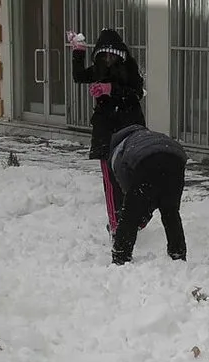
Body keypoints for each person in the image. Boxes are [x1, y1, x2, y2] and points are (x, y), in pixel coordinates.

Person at [67, 28, 150, 236]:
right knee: (111, 183)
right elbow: (78, 76)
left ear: (120, 53)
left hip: (130, 130)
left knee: (135, 177)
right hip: (105, 133)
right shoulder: (98, 68)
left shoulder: (129, 69)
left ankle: (138, 217)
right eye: (103, 54)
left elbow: (136, 93)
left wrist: (110, 89)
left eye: (112, 54)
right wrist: (78, 51)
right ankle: (116, 227)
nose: (107, 58)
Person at [108, 124, 188, 266]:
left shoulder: (117, 151)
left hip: (147, 161)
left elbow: (125, 182)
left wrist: (136, 204)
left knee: (130, 214)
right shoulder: (148, 136)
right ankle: (178, 254)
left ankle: (121, 256)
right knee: (171, 212)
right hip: (175, 160)